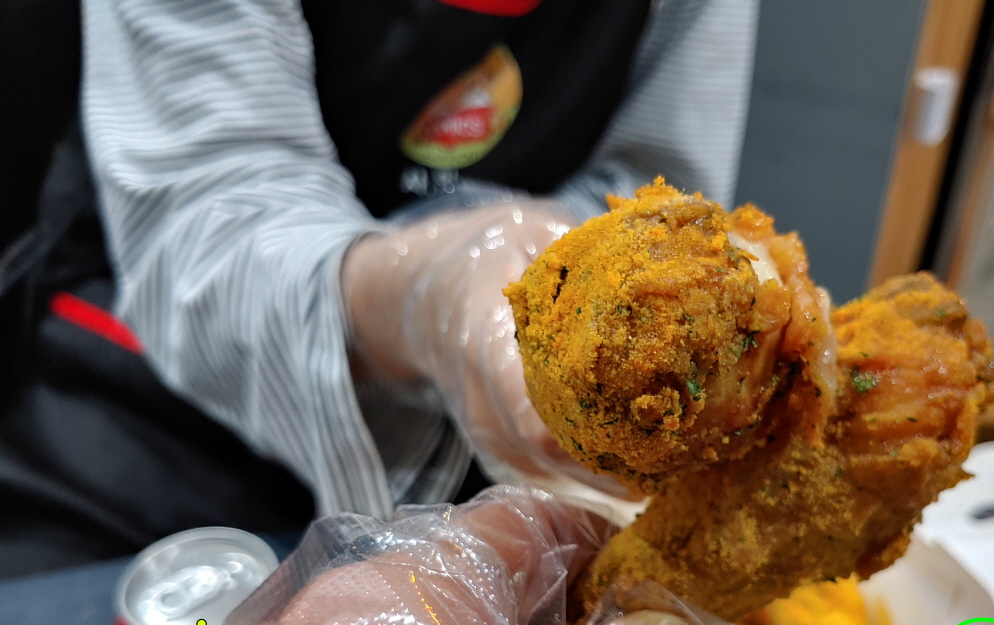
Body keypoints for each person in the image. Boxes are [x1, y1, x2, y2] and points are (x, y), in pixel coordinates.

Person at [0, 0, 759, 577]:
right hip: (162, 400)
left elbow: (650, 189)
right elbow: (215, 197)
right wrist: (419, 289)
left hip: (497, 454)